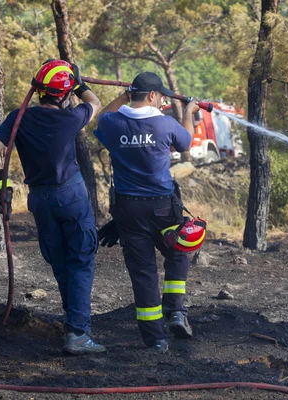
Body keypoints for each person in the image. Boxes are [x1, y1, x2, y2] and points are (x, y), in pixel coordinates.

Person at [0, 59, 105, 355]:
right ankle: (78, 333)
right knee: (81, 260)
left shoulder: (19, 116)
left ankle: (72, 321)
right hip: (71, 196)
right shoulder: (71, 118)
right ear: (63, 94)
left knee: (60, 261)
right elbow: (95, 102)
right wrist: (79, 83)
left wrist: (1, 189)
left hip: (39, 199)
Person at [94, 72, 200, 353]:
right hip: (163, 207)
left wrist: (126, 96)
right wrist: (189, 110)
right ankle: (176, 311)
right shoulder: (166, 124)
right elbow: (187, 141)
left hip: (128, 210)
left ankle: (156, 340)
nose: (162, 100)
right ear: (152, 96)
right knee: (177, 253)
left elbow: (101, 115)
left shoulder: (113, 123)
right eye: (160, 96)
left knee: (143, 272)